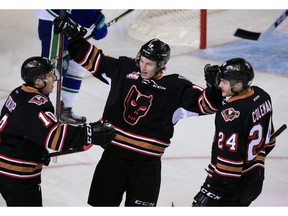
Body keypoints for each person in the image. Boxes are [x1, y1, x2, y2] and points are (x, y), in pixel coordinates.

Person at [53, 17, 223, 207]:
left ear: (161, 65)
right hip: (112, 159)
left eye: (149, 64)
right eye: (141, 61)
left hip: (146, 168)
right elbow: (94, 60)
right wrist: (74, 37)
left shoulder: (175, 88)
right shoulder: (124, 70)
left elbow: (207, 105)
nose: (143, 66)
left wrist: (214, 88)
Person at [0, 56, 115, 206]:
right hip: (17, 174)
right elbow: (55, 136)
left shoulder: (19, 92)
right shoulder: (35, 105)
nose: (54, 78)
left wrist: (36, 150)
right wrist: (88, 133)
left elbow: (21, 130)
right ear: (38, 81)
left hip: (7, 165)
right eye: (49, 75)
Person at [192, 58, 275, 206]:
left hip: (233, 186)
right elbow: (270, 142)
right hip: (256, 179)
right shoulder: (263, 96)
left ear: (238, 84)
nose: (219, 85)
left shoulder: (229, 116)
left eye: (224, 82)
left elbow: (228, 166)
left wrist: (211, 189)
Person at [36, 9, 108, 124]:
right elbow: (81, 11)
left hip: (72, 23)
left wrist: (98, 18)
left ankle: (65, 110)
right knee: (51, 71)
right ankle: (35, 112)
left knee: (77, 63)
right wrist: (96, 22)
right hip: (55, 21)